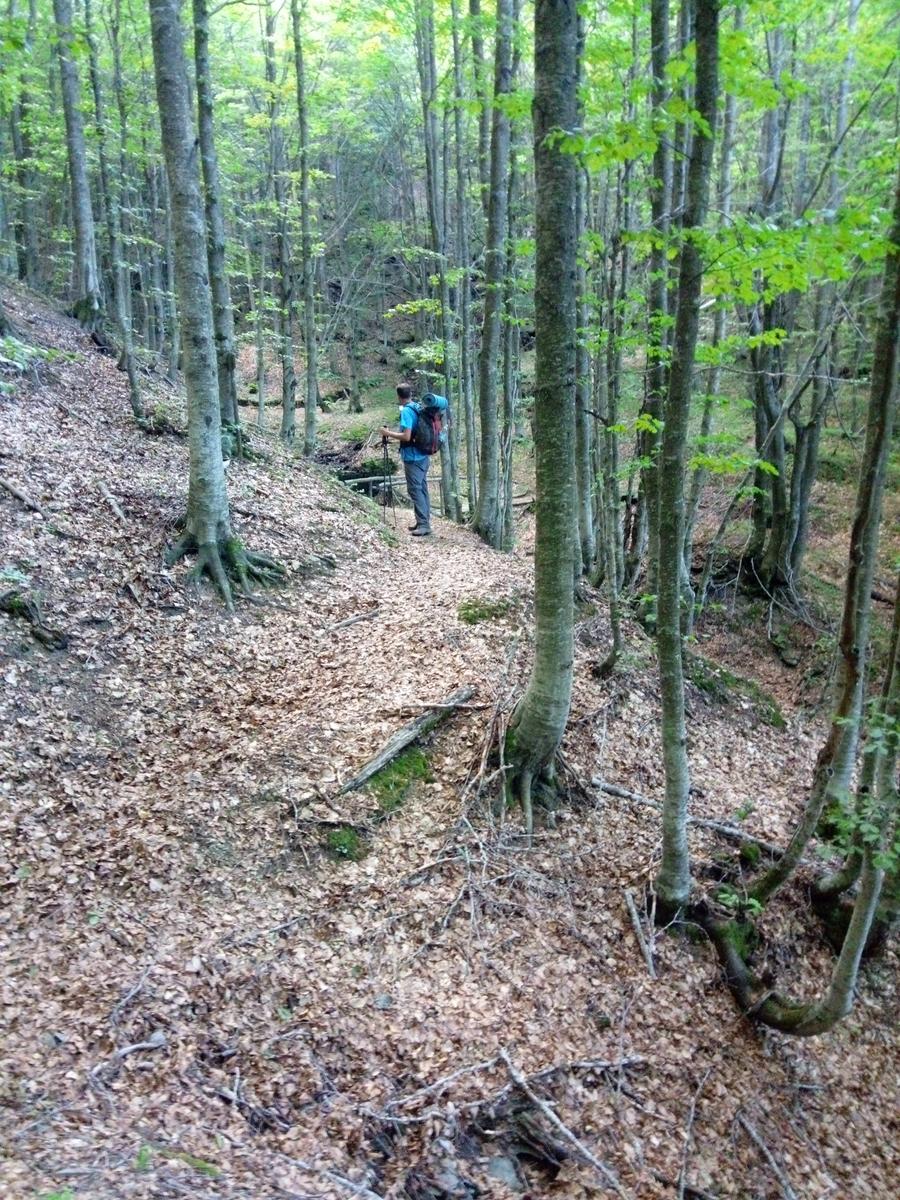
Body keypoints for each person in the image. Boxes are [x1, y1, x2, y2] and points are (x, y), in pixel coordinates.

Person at [380, 383, 440, 537]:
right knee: (422, 488)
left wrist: (387, 433)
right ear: (410, 394)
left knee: (415, 490)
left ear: (398, 396)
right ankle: (423, 521)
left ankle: (423, 524)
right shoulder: (417, 407)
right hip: (423, 454)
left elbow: (406, 436)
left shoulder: (407, 411)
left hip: (413, 457)